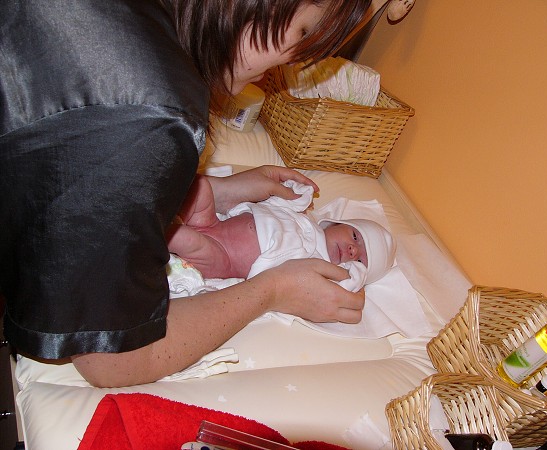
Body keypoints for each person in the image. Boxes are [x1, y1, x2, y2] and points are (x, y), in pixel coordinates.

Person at [0, 0, 371, 388]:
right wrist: (273, 290)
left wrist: (210, 190)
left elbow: (73, 163)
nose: (289, 62)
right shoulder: (155, 117)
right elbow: (112, 361)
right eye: (303, 33)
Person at [167, 176, 397, 284]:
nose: (353, 250)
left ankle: (154, 231)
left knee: (184, 238)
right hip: (214, 224)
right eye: (355, 236)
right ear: (337, 223)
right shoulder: (302, 218)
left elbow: (349, 284)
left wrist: (355, 274)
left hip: (222, 257)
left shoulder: (319, 268)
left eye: (360, 260)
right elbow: (281, 199)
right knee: (201, 186)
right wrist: (298, 194)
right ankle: (169, 214)